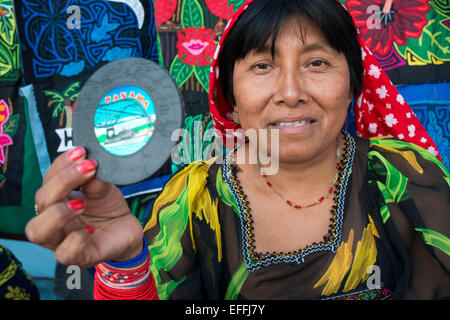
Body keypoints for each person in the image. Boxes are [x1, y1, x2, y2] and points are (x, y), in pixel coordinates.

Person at [25, 0, 449, 300]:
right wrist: (124, 264)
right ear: (229, 95)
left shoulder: (404, 176)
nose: (290, 92)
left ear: (354, 82)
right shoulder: (190, 201)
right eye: (262, 66)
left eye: (316, 63)